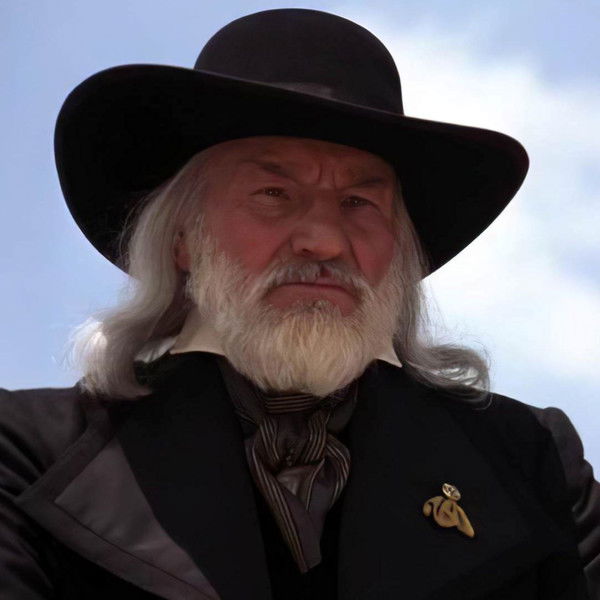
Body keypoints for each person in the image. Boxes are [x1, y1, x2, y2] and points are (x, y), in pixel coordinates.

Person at [0, 8, 598, 600]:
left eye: (359, 203)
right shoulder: (28, 453)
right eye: (274, 193)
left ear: (399, 248)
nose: (324, 240)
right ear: (183, 238)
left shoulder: (531, 460)